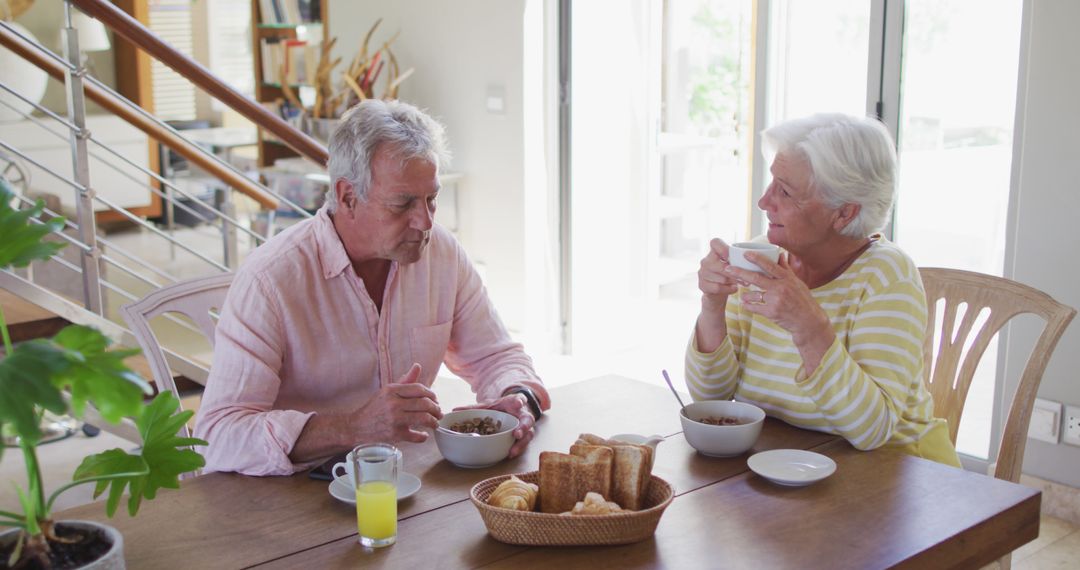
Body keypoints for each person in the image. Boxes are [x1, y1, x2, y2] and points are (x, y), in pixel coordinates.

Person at [195, 99, 550, 476]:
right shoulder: (270, 281)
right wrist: (353, 427)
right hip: (292, 493)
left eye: (432, 199)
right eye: (403, 204)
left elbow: (495, 357)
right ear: (348, 197)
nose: (425, 222)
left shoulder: (441, 254)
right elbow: (218, 437)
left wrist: (519, 398)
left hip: (402, 481)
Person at [684, 113, 960, 467]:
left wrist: (808, 325)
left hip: (894, 475)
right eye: (772, 184)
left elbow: (872, 431)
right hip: (784, 466)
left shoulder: (888, 277)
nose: (764, 202)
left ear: (843, 213)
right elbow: (710, 396)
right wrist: (713, 306)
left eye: (785, 191)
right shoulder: (761, 260)